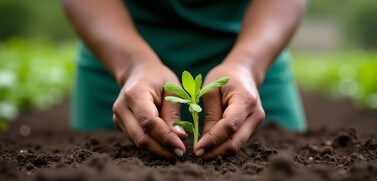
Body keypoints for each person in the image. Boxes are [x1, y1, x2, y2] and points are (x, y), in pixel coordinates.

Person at [61, 0, 307, 160]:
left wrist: (247, 65)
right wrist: (133, 65)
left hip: (256, 43)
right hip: (114, 45)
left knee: (281, 165)